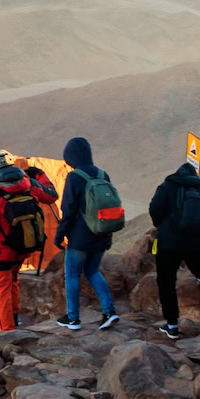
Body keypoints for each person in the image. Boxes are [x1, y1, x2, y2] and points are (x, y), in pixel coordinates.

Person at [0, 160, 56, 332]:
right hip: (23, 247)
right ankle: (14, 321)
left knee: (2, 291)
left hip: (2, 251)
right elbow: (52, 195)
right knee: (13, 283)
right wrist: (41, 176)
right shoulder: (30, 185)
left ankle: (7, 331)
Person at [54, 137, 122, 330]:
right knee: (93, 271)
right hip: (101, 233)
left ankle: (73, 318)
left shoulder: (74, 177)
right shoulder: (103, 174)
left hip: (80, 237)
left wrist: (60, 235)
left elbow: (68, 210)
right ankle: (109, 311)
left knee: (73, 275)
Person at [147, 161, 200, 339]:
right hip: (195, 242)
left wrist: (162, 225)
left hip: (169, 242)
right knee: (192, 256)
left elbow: (155, 210)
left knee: (166, 282)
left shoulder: (166, 187)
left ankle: (172, 325)